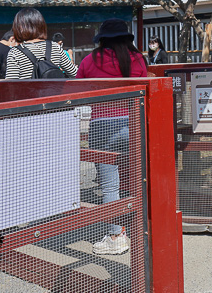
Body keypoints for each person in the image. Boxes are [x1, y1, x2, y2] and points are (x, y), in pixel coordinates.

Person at [76, 18, 148, 255]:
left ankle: (117, 236)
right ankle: (144, 228)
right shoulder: (137, 59)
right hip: (132, 122)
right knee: (140, 179)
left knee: (109, 186)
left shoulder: (90, 60)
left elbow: (78, 90)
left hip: (101, 124)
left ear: (102, 39)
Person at [4, 9, 78, 79]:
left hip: (29, 92)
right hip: (54, 91)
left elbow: (11, 83)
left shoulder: (15, 52)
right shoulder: (55, 47)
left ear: (19, 28)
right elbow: (75, 73)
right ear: (41, 25)